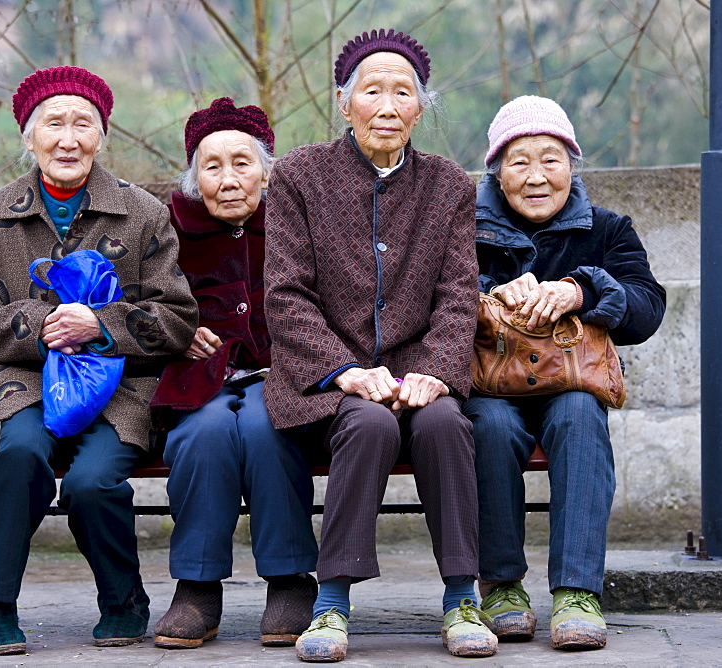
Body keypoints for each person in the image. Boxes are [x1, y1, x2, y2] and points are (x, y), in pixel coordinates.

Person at [263, 29, 497, 662]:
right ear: (345, 104)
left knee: (446, 421)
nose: (388, 105)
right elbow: (285, 295)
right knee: (367, 424)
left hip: (418, 372)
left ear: (421, 108)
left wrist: (436, 373)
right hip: (325, 383)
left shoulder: (448, 185)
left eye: (404, 92)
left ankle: (462, 597)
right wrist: (343, 369)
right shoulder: (297, 177)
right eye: (373, 91)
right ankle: (332, 602)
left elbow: (457, 294)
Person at [0, 66, 199, 655]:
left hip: (120, 390)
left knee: (91, 482)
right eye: (53, 124)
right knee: (19, 456)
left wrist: (100, 324)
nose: (68, 138)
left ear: (102, 136)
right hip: (29, 383)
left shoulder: (141, 213)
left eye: (83, 124)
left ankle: (122, 600)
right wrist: (44, 326)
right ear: (28, 138)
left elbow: (177, 317)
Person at [462, 95, 666, 651]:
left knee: (579, 414)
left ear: (572, 165)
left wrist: (583, 289)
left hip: (571, 383)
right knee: (492, 426)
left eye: (550, 159)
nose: (535, 176)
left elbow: (647, 308)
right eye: (519, 161)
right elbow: (433, 302)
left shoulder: (608, 230)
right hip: (490, 386)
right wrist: (490, 297)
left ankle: (578, 592)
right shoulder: (463, 228)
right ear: (496, 170)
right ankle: (501, 586)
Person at [148, 97, 319, 649]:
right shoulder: (166, 231)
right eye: (211, 165)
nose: (227, 179)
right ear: (194, 177)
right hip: (199, 381)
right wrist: (177, 331)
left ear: (267, 171)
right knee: (206, 431)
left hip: (285, 377)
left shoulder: (297, 224)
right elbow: (140, 305)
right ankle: (197, 585)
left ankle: (290, 578)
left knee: (268, 429)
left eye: (242, 163)